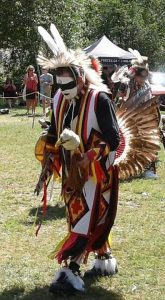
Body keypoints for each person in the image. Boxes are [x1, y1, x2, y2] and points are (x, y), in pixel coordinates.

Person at [35, 24, 120, 294]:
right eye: (61, 85)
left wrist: (89, 156)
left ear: (80, 77)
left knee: (84, 219)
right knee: (80, 217)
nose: (66, 89)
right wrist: (49, 159)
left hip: (97, 173)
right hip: (71, 173)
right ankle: (103, 257)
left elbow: (115, 139)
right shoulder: (59, 99)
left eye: (69, 83)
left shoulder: (100, 99)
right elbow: (52, 130)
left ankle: (70, 271)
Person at [112, 49, 158, 179]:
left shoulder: (147, 85)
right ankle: (126, 167)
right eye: (142, 76)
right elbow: (117, 101)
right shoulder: (126, 84)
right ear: (135, 75)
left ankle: (147, 168)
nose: (144, 79)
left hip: (143, 118)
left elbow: (149, 101)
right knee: (129, 143)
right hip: (126, 119)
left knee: (147, 141)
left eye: (146, 76)